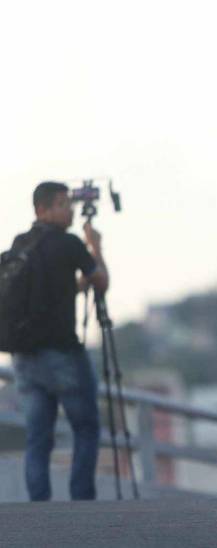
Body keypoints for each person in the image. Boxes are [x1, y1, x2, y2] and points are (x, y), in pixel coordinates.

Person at [8, 182, 109, 501]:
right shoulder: (69, 243)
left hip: (24, 358)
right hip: (62, 354)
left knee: (38, 437)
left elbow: (53, 294)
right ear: (43, 209)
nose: (71, 210)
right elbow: (101, 282)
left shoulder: (22, 244)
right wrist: (95, 246)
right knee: (86, 428)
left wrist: (77, 286)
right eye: (63, 204)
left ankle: (40, 508)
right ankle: (81, 502)